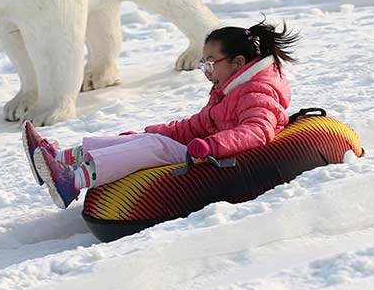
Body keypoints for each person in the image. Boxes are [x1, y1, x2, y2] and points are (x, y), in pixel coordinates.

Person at [22, 20, 300, 208]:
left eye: (210, 63)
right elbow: (197, 125)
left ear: (238, 62)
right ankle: (61, 159)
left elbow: (257, 131)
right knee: (146, 140)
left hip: (219, 159)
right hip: (207, 151)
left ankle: (72, 181)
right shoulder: (229, 89)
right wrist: (156, 130)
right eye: (203, 63)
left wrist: (212, 145)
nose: (206, 71)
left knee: (154, 147)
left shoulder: (257, 91)